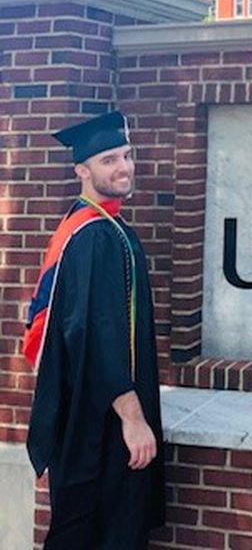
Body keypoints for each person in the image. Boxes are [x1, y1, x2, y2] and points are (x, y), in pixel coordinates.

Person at [23, 110, 165, 549]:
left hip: (97, 420)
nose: (124, 166)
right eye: (109, 160)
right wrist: (134, 419)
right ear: (82, 170)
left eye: (127, 155)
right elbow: (94, 333)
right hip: (99, 427)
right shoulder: (92, 237)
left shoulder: (104, 228)